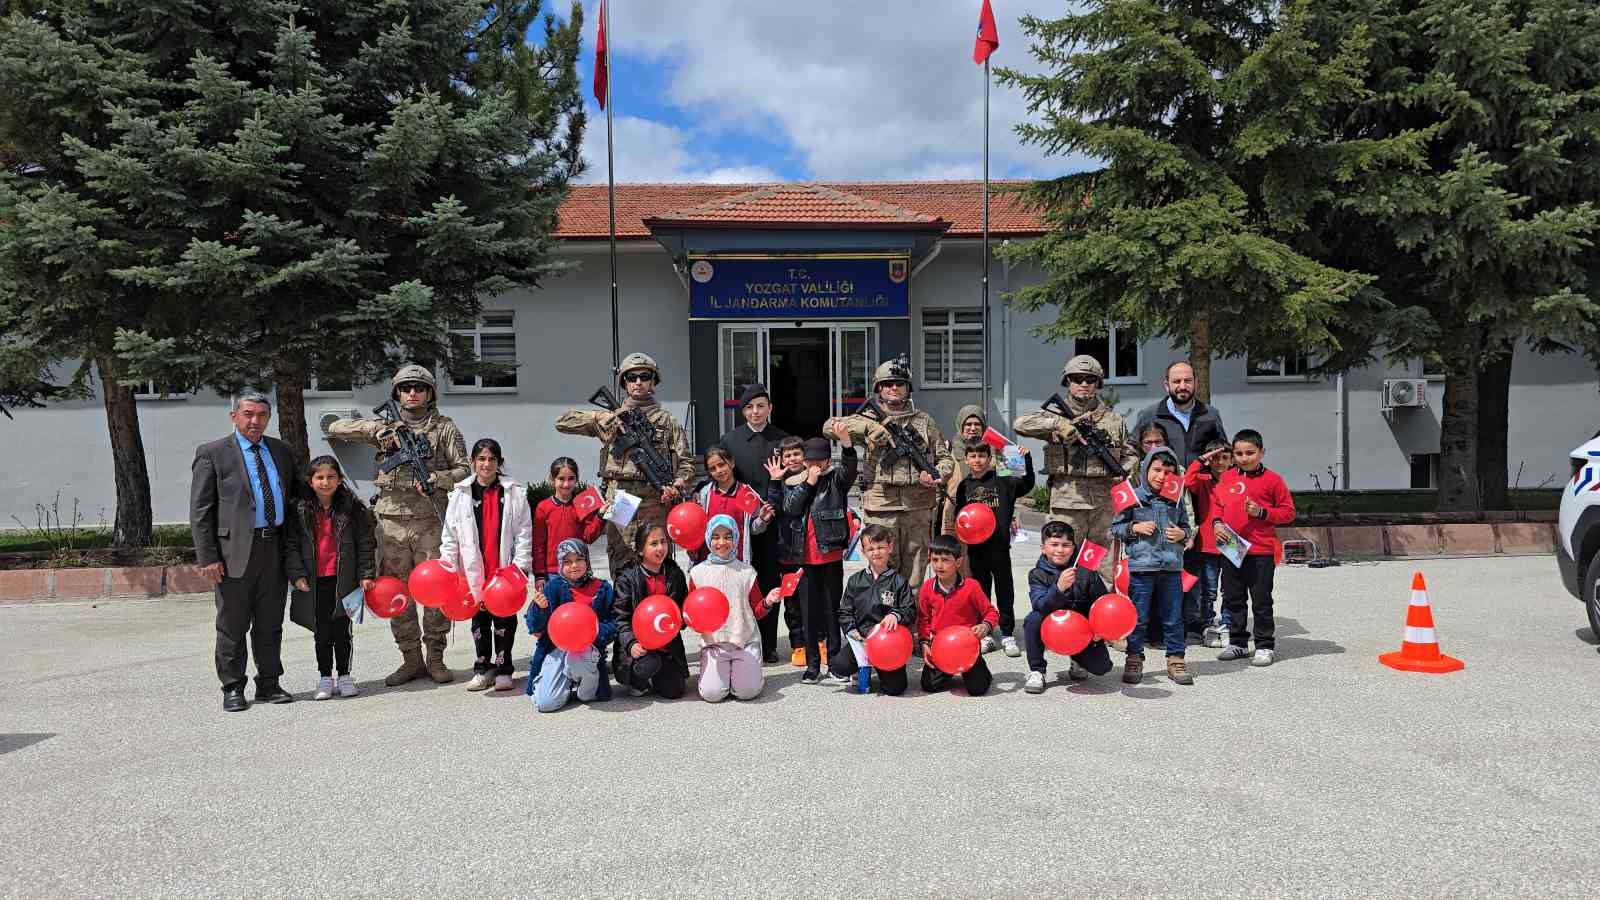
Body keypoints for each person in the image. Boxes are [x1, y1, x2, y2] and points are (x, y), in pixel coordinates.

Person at [326, 364, 470, 686]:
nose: (412, 393)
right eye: (406, 388)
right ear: (397, 394)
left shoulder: (445, 428)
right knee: (397, 591)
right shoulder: (385, 425)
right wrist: (377, 432)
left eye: (419, 388)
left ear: (430, 393)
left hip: (430, 521)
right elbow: (336, 427)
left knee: (434, 591)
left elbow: (464, 468)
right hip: (390, 524)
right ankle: (410, 658)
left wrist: (438, 478)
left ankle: (435, 657)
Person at [191, 391, 304, 712]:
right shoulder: (213, 453)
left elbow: (298, 495)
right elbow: (201, 511)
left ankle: (269, 683)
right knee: (232, 625)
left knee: (270, 623)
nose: (255, 421)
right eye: (248, 414)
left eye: (262, 415)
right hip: (233, 554)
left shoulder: (281, 451)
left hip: (274, 549)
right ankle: (232, 687)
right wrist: (208, 557)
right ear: (234, 417)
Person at [555, 352, 695, 571]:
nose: (638, 382)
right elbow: (562, 422)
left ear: (653, 382)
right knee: (621, 556)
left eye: (644, 376)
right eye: (631, 377)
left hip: (654, 500)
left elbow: (686, 463)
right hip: (621, 499)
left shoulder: (668, 422)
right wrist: (602, 419)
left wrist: (677, 485)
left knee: (656, 560)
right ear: (624, 383)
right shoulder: (612, 418)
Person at [824, 357, 954, 586]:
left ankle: (910, 611)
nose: (894, 388)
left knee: (915, 574)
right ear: (879, 388)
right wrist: (869, 427)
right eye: (887, 384)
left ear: (908, 388)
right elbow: (829, 427)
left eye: (899, 383)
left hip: (918, 508)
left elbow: (945, 459)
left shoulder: (924, 421)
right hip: (881, 508)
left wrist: (937, 475)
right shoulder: (867, 419)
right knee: (882, 572)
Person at [1013, 354, 1137, 585]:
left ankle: (1101, 606)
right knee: (1061, 562)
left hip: (1103, 505)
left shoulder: (1113, 420)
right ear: (1068, 382)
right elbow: (1020, 424)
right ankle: (1060, 605)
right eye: (1077, 379)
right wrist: (1058, 424)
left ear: (1098, 383)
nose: (1084, 384)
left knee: (1104, 567)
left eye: (1090, 379)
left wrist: (1125, 469)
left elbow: (1130, 453)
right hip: (1067, 503)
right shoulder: (1055, 416)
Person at [439, 439, 533, 692]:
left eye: (492, 459)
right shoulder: (460, 494)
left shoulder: (514, 492)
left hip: (502, 570)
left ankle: (503, 668)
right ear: (473, 462)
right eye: (481, 459)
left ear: (500, 462)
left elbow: (524, 532)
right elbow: (450, 535)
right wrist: (448, 567)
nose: (486, 464)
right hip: (472, 569)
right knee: (479, 620)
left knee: (504, 619)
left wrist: (520, 566)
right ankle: (483, 668)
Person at [285, 455, 376, 700]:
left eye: (331, 477)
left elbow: (365, 543)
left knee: (342, 631)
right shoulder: (300, 509)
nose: (325, 482)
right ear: (310, 481)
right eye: (320, 477)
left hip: (345, 580)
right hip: (315, 582)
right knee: (321, 631)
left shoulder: (353, 508)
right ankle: (325, 677)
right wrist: (297, 574)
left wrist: (366, 573)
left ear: (340, 479)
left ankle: (345, 676)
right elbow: (291, 545)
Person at [771, 431, 858, 683]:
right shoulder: (795, 482)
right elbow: (790, 508)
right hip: (804, 558)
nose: (815, 465)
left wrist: (847, 444)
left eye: (820, 460)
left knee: (831, 610)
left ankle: (834, 661)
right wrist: (808, 482)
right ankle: (812, 665)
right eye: (810, 460)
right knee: (808, 613)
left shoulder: (836, 480)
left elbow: (850, 468)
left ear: (828, 460)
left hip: (829, 555)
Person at [717, 384, 791, 661]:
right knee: (741, 582)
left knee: (770, 581)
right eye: (749, 407)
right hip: (741, 524)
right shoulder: (730, 441)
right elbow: (722, 478)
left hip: (775, 523)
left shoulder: (782, 440)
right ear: (743, 411)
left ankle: (768, 644)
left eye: (761, 406)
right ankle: (740, 639)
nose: (755, 412)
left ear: (770, 408)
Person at [1109, 446, 1195, 686]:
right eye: (1156, 470)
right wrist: (1133, 528)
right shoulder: (1132, 496)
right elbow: (1115, 528)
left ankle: (1176, 659)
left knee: (1173, 617)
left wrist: (1183, 534)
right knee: (1138, 618)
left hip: (1171, 568)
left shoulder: (1176, 499)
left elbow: (1187, 527)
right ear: (1146, 469)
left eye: (1168, 472)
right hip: (1142, 568)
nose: (1162, 476)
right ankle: (1134, 658)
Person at [1213, 429, 1296, 667]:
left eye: (1250, 453)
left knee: (1261, 601)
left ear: (1261, 452)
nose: (1244, 458)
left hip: (1261, 549)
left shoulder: (1273, 480)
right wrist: (1217, 522)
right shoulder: (1227, 477)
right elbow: (1218, 505)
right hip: (1231, 546)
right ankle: (1238, 643)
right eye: (1238, 453)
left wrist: (1261, 512)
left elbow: (1288, 512)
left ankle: (1264, 645)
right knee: (1233, 598)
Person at [953, 440, 1035, 657]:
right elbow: (960, 516)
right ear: (966, 459)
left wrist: (1026, 458)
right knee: (981, 591)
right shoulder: (964, 486)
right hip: (976, 548)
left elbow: (1026, 485)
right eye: (973, 456)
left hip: (999, 546)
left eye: (982, 456)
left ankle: (1007, 633)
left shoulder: (1003, 480)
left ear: (990, 459)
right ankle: (986, 632)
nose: (977, 460)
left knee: (1004, 589)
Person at [687, 515, 781, 702]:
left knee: (747, 692)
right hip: (714, 644)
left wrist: (768, 601)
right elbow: (692, 612)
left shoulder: (747, 572)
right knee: (712, 694)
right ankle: (720, 673)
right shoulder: (697, 573)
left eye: (728, 537)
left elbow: (756, 611)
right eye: (715, 537)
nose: (721, 542)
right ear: (708, 538)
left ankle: (746, 670)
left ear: (736, 538)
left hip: (744, 641)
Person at [1022, 521, 1116, 694]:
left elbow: (1102, 603)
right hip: (1052, 626)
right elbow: (1040, 605)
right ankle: (1037, 670)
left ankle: (1077, 659)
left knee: (1101, 667)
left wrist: (1099, 631)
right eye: (1054, 544)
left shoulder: (1087, 572)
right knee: (1033, 619)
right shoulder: (1037, 574)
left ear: (1074, 548)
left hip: (1081, 630)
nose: (1060, 550)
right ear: (1043, 548)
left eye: (1066, 545)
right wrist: (1059, 588)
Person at [526, 539, 616, 712]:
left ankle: (586, 689)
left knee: (583, 679)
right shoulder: (552, 587)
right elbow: (535, 628)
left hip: (588, 649)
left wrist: (594, 631)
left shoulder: (602, 588)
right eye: (567, 561)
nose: (574, 565)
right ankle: (563, 686)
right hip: (557, 650)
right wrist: (540, 609)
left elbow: (614, 623)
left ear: (587, 560)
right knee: (546, 704)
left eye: (579, 559)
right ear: (560, 564)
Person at [828, 525, 916, 696]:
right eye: (871, 549)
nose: (876, 552)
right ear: (863, 551)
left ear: (890, 547)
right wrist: (851, 630)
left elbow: (910, 610)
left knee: (895, 688)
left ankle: (881, 669)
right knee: (838, 667)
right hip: (862, 640)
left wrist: (896, 615)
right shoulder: (855, 581)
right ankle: (860, 667)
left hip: (887, 644)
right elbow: (844, 611)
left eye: (881, 547)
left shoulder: (899, 581)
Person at [612, 523, 690, 699]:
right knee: (648, 665)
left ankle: (659, 674)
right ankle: (637, 681)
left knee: (674, 692)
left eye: (663, 542)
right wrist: (631, 644)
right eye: (654, 544)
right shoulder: (626, 578)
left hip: (666, 645)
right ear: (641, 550)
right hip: (640, 646)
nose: (661, 548)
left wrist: (685, 618)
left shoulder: (675, 574)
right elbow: (620, 618)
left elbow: (682, 610)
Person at [916, 535, 1000, 696]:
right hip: (941, 647)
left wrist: (985, 626)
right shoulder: (927, 588)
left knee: (977, 689)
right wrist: (924, 643)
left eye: (945, 560)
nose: (939, 565)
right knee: (929, 685)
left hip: (967, 647)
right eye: (935, 560)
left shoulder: (971, 586)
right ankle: (948, 671)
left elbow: (991, 612)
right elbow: (923, 619)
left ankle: (982, 672)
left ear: (958, 562)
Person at [765, 435, 811, 665]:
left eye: (796, 454)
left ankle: (818, 642)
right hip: (787, 552)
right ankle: (798, 645)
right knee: (792, 604)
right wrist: (774, 481)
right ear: (781, 459)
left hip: (811, 552)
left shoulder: (813, 476)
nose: (792, 459)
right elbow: (773, 507)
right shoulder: (779, 481)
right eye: (788, 455)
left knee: (814, 600)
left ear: (804, 456)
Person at [1133, 361, 1229, 467]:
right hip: (1165, 476)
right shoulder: (1150, 415)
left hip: (1201, 477)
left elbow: (1223, 450)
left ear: (1196, 383)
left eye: (1187, 381)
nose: (1182, 386)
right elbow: (1132, 450)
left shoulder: (1210, 414)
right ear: (1167, 386)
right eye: (1176, 381)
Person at [1185, 440, 1234, 648]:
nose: (1220, 462)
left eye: (1224, 457)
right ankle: (1206, 624)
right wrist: (1201, 460)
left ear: (1232, 460)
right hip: (1207, 545)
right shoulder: (1203, 481)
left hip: (1232, 543)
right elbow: (1187, 481)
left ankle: (1227, 623)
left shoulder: (1238, 482)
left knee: (1231, 589)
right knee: (1209, 590)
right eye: (1215, 457)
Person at [692, 444, 772, 566]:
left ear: (732, 463)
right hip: (709, 562)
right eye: (713, 468)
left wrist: (762, 520)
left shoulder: (747, 494)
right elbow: (698, 527)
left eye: (721, 464)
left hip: (737, 562)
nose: (718, 471)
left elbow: (752, 529)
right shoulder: (705, 494)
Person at [531, 456, 603, 592]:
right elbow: (538, 544)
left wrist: (600, 517)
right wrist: (539, 574)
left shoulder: (582, 504)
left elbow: (588, 537)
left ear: (576, 479)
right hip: (552, 573)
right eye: (561, 479)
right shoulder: (543, 507)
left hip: (578, 571)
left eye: (571, 479)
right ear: (552, 479)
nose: (566, 484)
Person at [941, 405, 988, 549]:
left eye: (977, 424)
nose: (973, 428)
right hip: (954, 515)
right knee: (954, 557)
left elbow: (1008, 485)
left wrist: (1012, 515)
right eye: (968, 424)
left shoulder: (994, 449)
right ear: (960, 425)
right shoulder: (948, 449)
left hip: (986, 515)